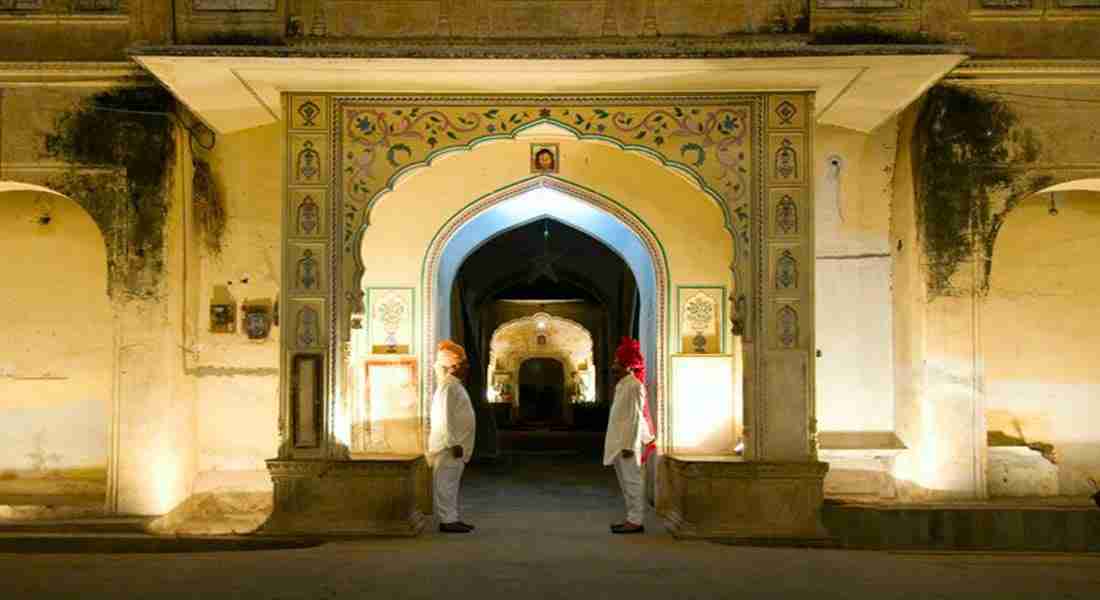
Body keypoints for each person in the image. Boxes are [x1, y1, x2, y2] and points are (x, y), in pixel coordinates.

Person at [603, 337, 656, 534]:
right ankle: (631, 518)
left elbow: (635, 416)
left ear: (627, 366)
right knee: (626, 482)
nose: (613, 366)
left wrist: (628, 445)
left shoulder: (633, 385)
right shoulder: (624, 384)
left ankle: (636, 521)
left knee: (633, 482)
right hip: (620, 442)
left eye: (617, 362)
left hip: (626, 444)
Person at [428, 340, 477, 533]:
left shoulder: (454, 386)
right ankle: (447, 521)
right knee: (445, 485)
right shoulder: (448, 387)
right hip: (450, 447)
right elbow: (443, 417)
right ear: (454, 367)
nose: (467, 368)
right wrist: (453, 443)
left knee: (451, 484)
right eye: (464, 365)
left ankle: (452, 518)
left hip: (456, 447)